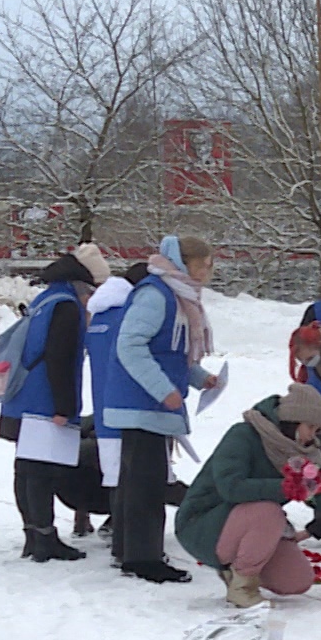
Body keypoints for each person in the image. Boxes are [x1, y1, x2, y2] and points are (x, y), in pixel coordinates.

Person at [176, 385, 321, 608]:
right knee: (269, 511)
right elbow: (231, 487)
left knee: (297, 580)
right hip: (201, 525)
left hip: (250, 527)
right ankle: (242, 586)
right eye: (311, 428)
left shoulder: (298, 456)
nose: (312, 437)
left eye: (317, 431)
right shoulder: (244, 435)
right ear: (294, 419)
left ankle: (234, 569)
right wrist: (285, 487)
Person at [104, 235, 220, 584]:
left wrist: (198, 378)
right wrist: (163, 389)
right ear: (184, 263)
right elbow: (130, 345)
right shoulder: (156, 295)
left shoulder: (177, 295)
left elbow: (169, 351)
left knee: (134, 482)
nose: (207, 271)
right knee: (147, 485)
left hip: (148, 404)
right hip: (142, 403)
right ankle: (143, 559)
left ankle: (128, 550)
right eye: (203, 264)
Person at [0, 243, 109, 562]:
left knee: (27, 469)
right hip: (44, 401)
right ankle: (46, 539)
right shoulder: (68, 306)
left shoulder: (46, 298)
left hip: (22, 396)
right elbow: (60, 358)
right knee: (42, 471)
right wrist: (63, 406)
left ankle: (33, 535)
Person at [84, 262, 150, 542]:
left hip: (103, 404)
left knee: (115, 471)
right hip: (132, 405)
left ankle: (116, 527)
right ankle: (128, 536)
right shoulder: (130, 316)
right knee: (136, 474)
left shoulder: (99, 315)